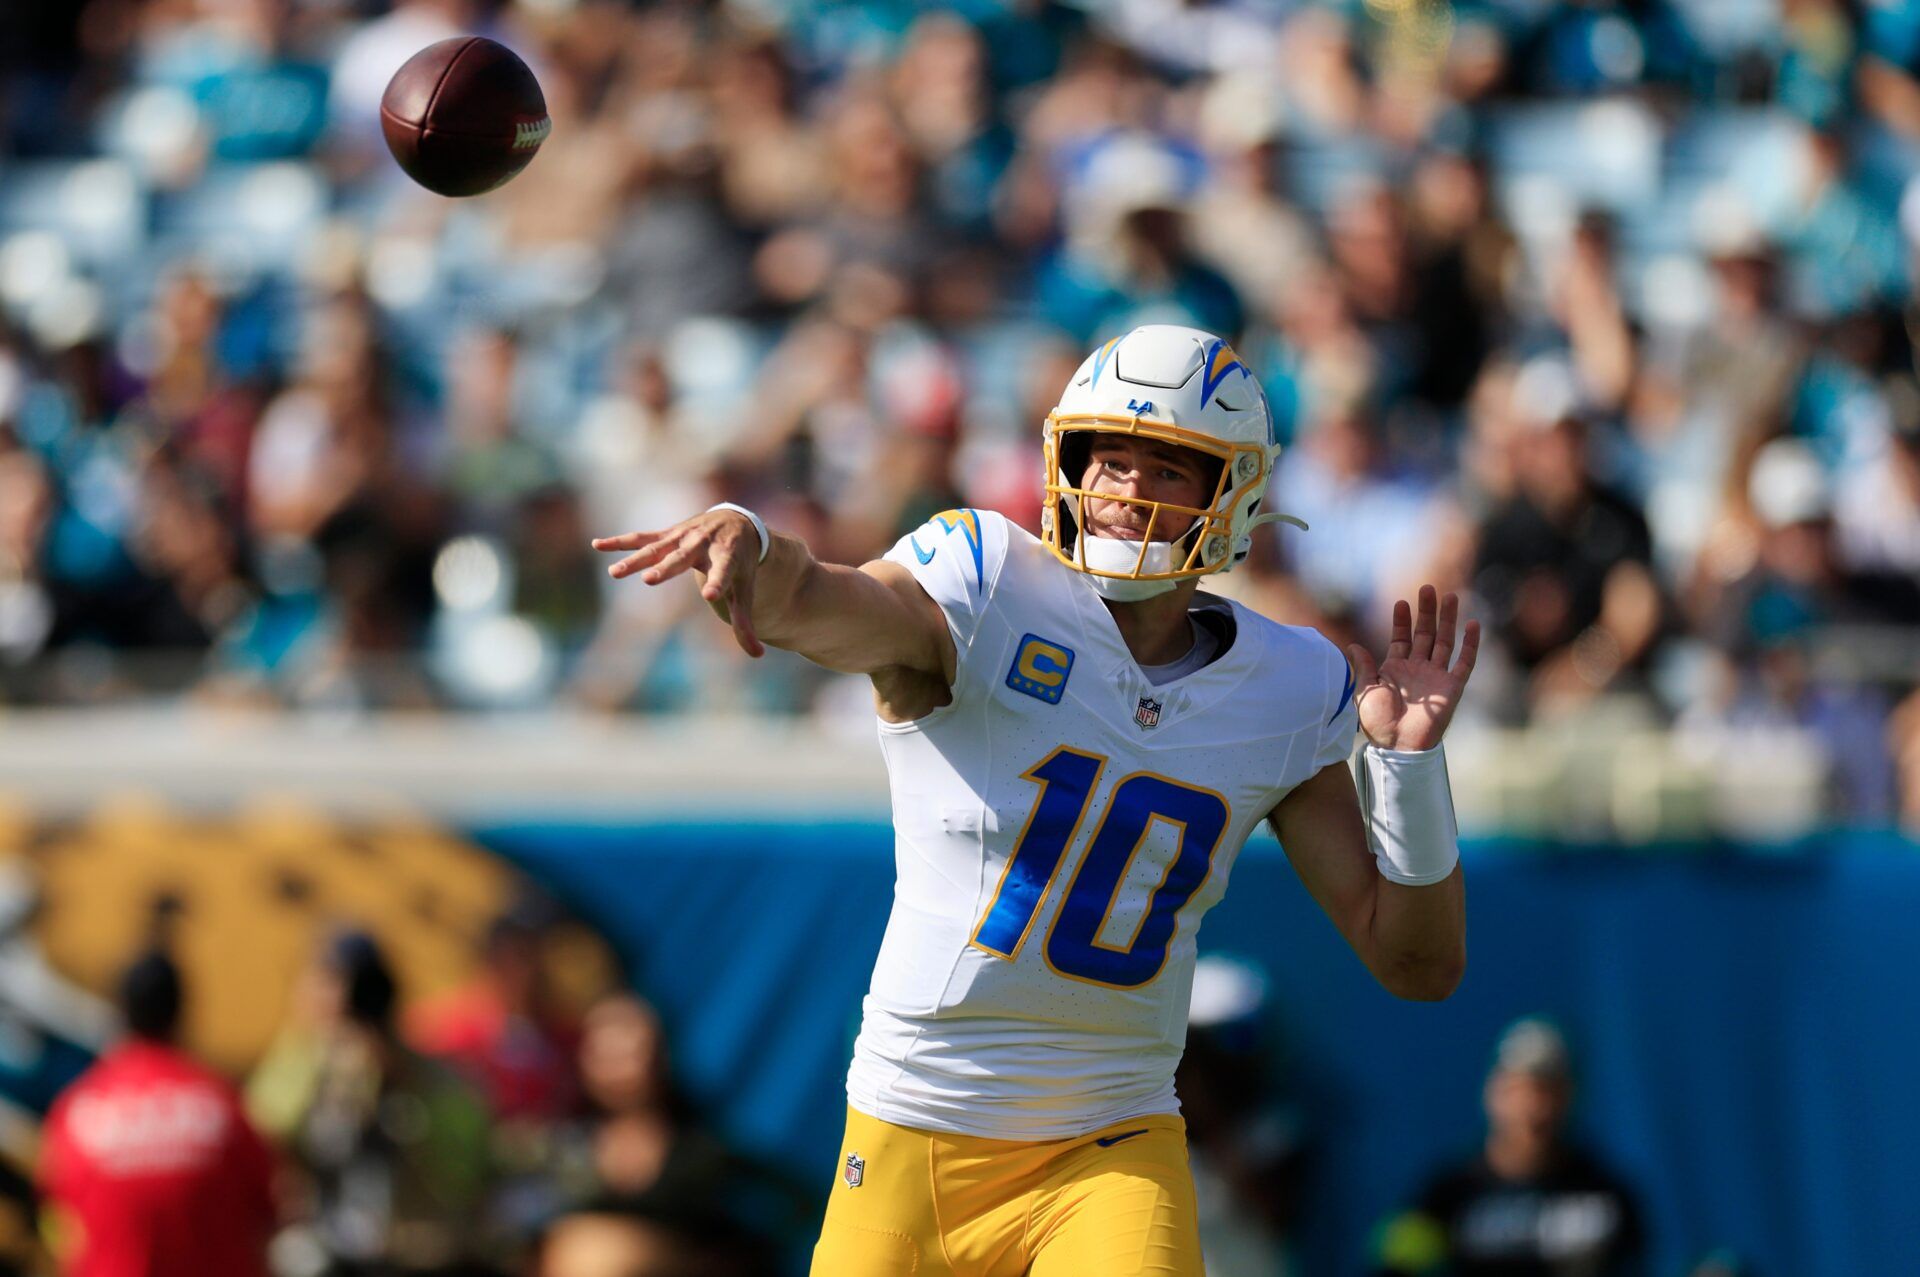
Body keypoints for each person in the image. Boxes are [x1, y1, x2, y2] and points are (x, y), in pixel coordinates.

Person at [594, 324, 1476, 1277]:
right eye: (1110, 459)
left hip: (1108, 1141)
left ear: (1235, 490)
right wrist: (757, 549)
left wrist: (1408, 772)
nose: (1126, 490)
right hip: (912, 1130)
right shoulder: (984, 583)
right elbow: (829, 600)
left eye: (1168, 467)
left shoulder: (1290, 686)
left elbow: (1416, 961)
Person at [247, 930, 491, 1277]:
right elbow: (263, 1142)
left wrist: (398, 1082)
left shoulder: (431, 1078)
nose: (340, 1001)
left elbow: (463, 1174)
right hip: (328, 1251)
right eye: (326, 982)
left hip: (417, 1250)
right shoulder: (293, 1067)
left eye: (352, 989)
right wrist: (325, 1076)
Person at [38, 949, 277, 1277]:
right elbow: (268, 1209)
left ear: (120, 1011)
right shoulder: (223, 1104)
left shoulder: (79, 1109)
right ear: (181, 1010)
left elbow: (57, 1215)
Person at [1373, 1018, 1647, 1277]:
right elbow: (1394, 1269)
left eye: (1548, 1092)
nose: (1533, 1109)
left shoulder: (1606, 1194)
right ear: (1492, 1094)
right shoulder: (1448, 1194)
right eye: (1518, 1091)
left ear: (1570, 1097)